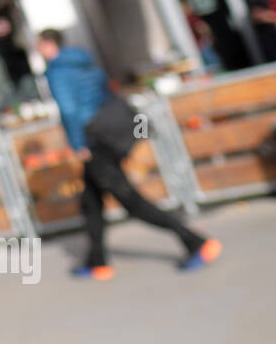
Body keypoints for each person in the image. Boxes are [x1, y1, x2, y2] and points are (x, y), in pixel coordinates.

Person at [36, 29, 220, 279]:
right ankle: (97, 262)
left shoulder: (57, 71)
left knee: (131, 201)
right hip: (113, 131)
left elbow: (69, 110)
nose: (37, 50)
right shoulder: (82, 61)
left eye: (39, 45)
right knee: (90, 202)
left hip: (95, 139)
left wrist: (78, 143)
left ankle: (195, 242)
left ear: (48, 44)